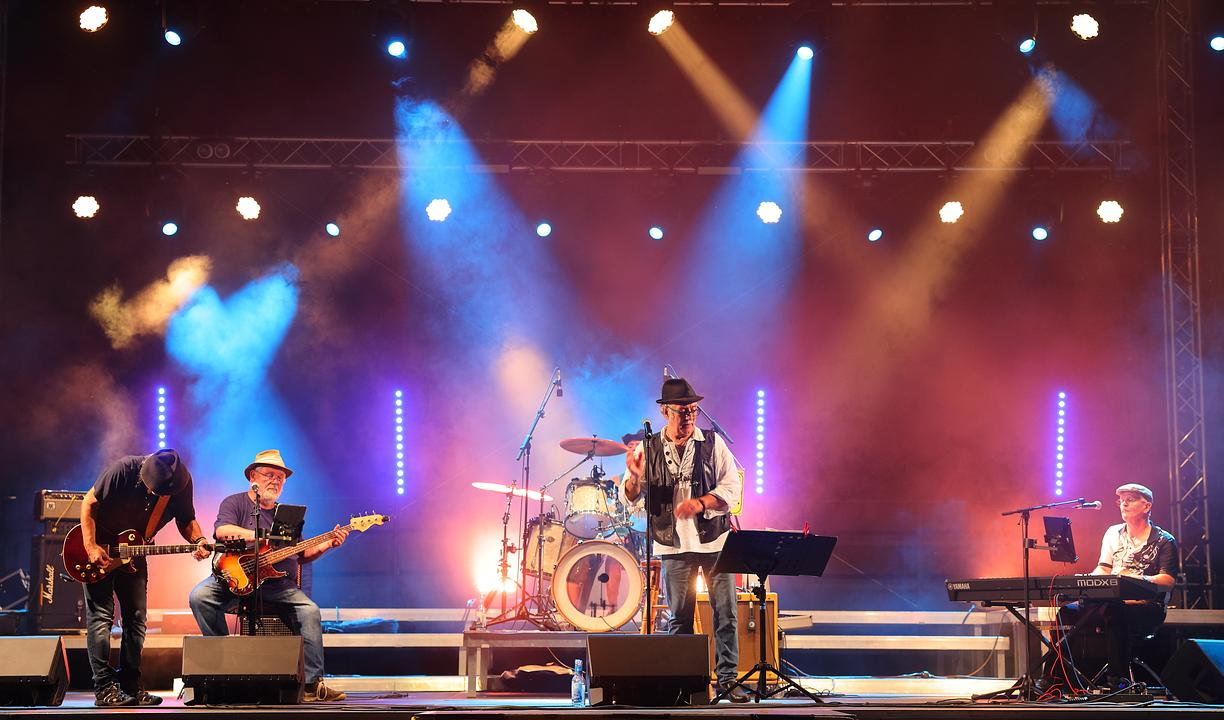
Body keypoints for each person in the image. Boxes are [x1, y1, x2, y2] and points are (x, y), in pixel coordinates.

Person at [621, 377, 748, 703]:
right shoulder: (647, 448)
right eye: (682, 411)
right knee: (679, 617)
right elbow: (630, 499)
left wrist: (701, 503)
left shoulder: (713, 443)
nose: (689, 416)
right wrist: (634, 476)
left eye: (693, 410)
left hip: (714, 543)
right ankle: (685, 685)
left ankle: (728, 681)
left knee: (726, 614)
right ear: (665, 412)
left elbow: (732, 489)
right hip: (673, 545)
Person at [188, 449, 350, 702]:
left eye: (280, 477)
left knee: (310, 611)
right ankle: (223, 664)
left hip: (277, 585)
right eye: (269, 474)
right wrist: (261, 537)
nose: (275, 480)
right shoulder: (234, 502)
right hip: (234, 578)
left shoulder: (288, 516)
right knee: (200, 596)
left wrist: (328, 544)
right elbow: (223, 531)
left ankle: (312, 685)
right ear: (253, 476)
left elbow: (302, 554)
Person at [79, 448, 211, 707]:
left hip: (134, 551)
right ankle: (104, 688)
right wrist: (91, 547)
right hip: (100, 549)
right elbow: (89, 503)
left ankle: (130, 685)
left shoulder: (181, 482)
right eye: (154, 490)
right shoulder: (123, 470)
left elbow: (186, 519)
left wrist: (199, 539)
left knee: (137, 619)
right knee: (101, 616)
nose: (156, 496)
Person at [1049, 483, 1177, 690]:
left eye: (1130, 500)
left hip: (1146, 608)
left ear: (1147, 506)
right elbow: (1104, 569)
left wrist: (1136, 579)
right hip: (1110, 603)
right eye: (1121, 500)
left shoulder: (1164, 540)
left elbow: (1168, 580)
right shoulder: (1113, 533)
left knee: (1116, 612)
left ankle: (1117, 681)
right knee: (1066, 613)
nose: (1123, 504)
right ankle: (1053, 680)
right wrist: (1086, 581)